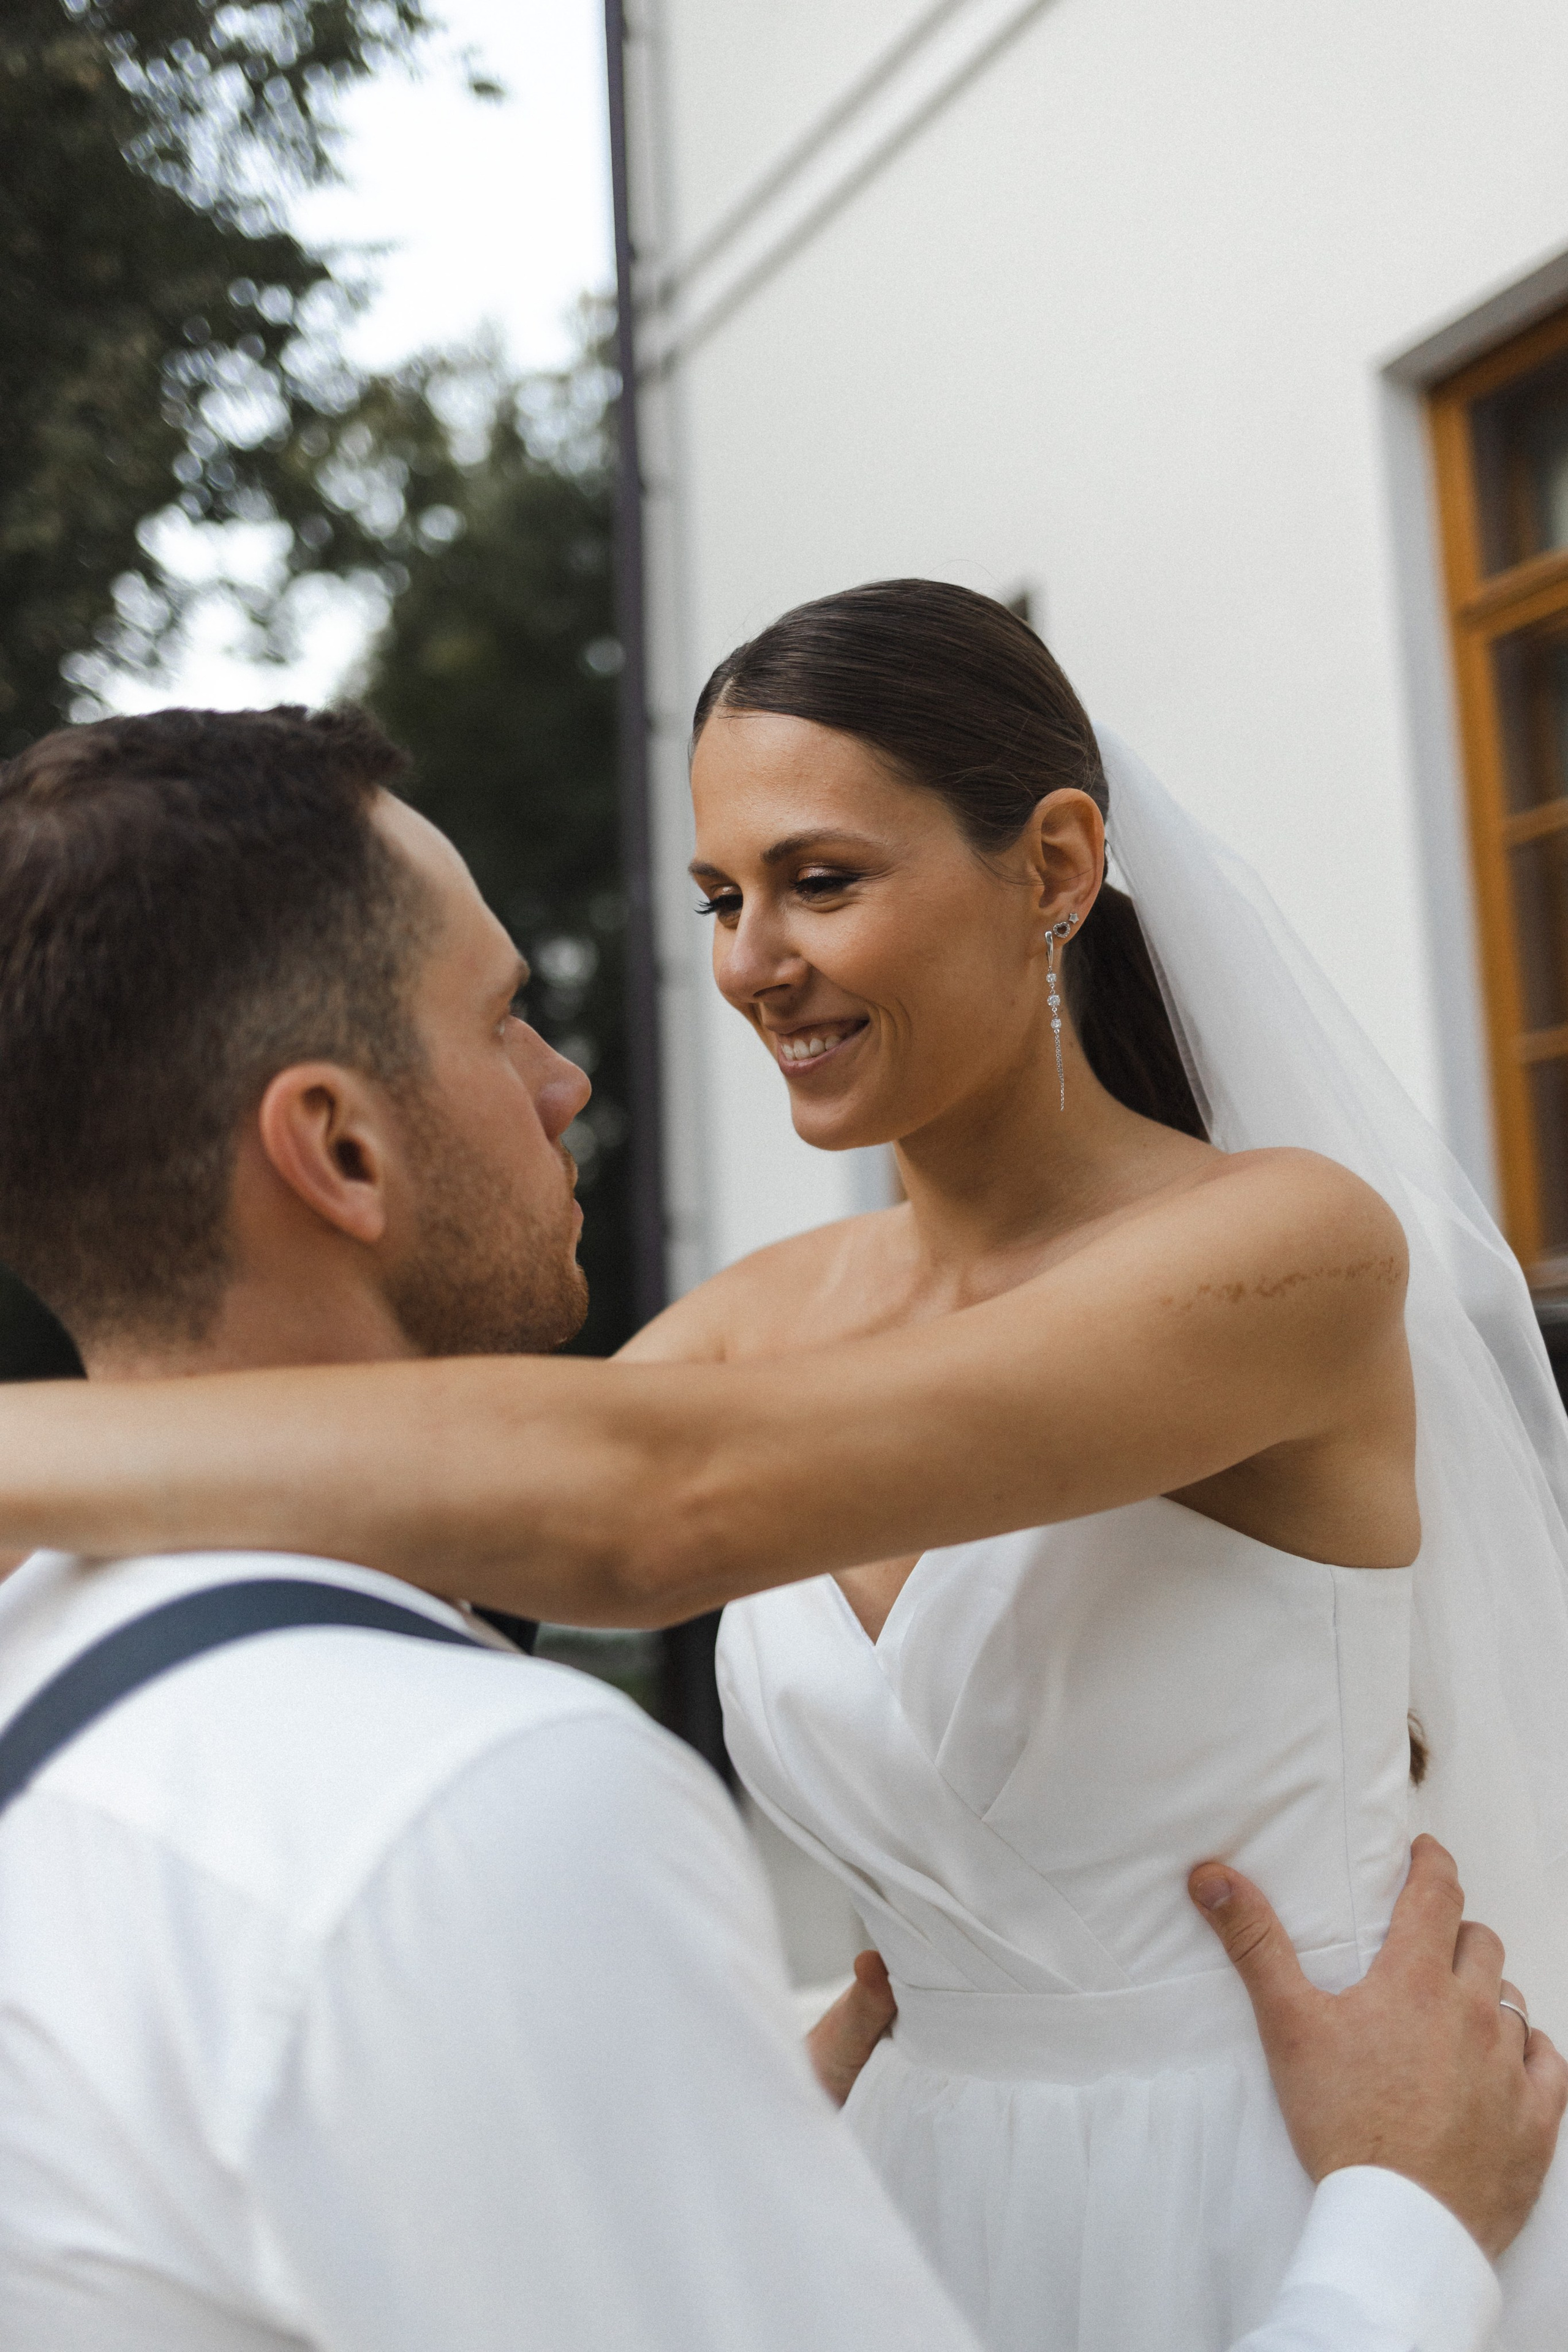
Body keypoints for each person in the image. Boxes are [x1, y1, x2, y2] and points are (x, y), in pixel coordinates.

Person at [0, 687, 1562, 2345]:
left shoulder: (1290, 1249)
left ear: (1053, 869)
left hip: (1307, 2155)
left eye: (818, 879)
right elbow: (469, 1500)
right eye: (722, 899)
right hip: (910, 2172)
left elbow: (646, 1500)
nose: (749, 962)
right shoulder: (751, 1326)